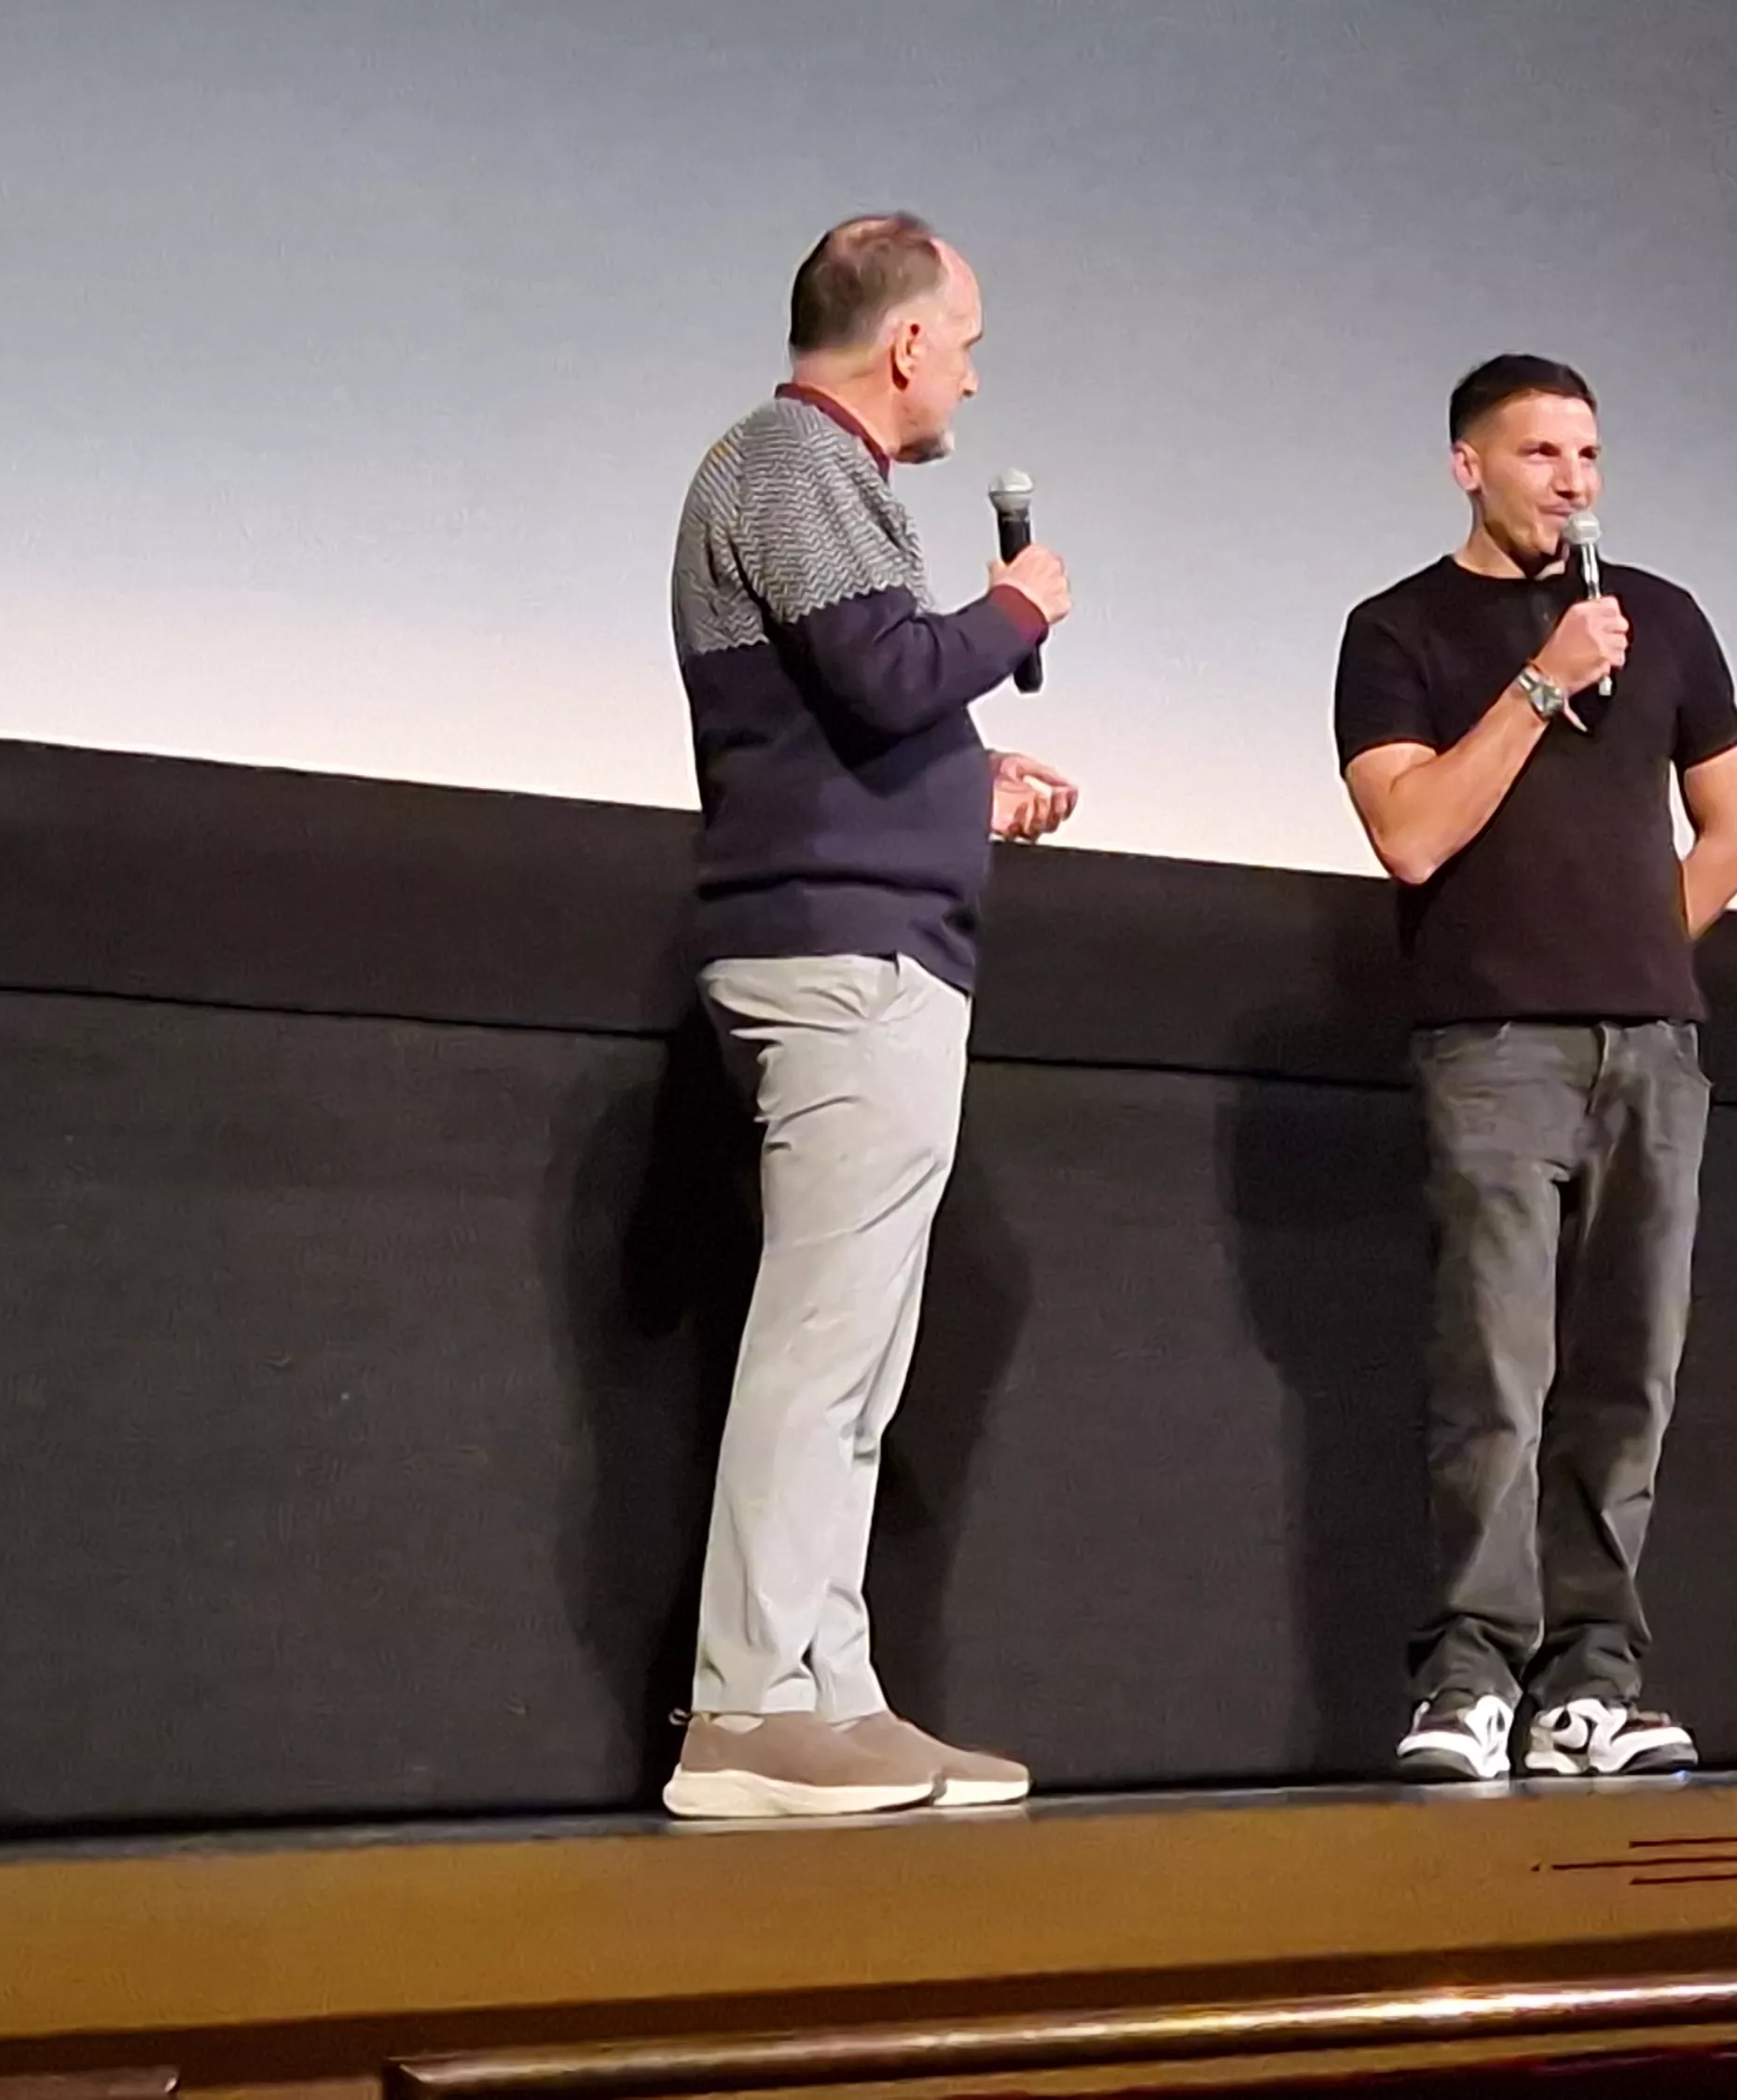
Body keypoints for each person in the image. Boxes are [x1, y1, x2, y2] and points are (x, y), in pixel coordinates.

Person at [656, 213, 1079, 1819]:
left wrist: (971, 785)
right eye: (963, 344)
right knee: (821, 1345)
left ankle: (832, 1693)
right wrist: (1019, 609)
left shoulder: (821, 475)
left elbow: (853, 718)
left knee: (861, 1362)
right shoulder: (792, 460)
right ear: (905, 342)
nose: (967, 375)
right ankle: (747, 1712)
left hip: (876, 948)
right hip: (839, 961)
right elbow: (890, 674)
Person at [1332, 355, 1737, 1783]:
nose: (1572, 482)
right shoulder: (1398, 630)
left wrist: (1632, 948)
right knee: (1496, 1375)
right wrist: (1541, 680)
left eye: (1588, 455)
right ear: (1470, 466)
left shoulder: (1667, 620)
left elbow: (1734, 833)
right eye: (1540, 455)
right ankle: (1469, 1678)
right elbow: (1410, 836)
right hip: (1494, 1048)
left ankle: (1594, 1681)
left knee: (1627, 1377)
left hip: (1652, 1048)